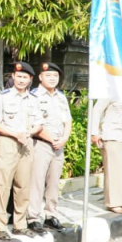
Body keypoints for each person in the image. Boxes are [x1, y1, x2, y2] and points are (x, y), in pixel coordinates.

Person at [0, 61, 42, 238]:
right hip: (6, 143)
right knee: (2, 185)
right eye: (18, 76)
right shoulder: (2, 97)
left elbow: (39, 124)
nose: (21, 80)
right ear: (13, 77)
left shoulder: (34, 100)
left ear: (30, 79)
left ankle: (20, 223)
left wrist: (29, 132)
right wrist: (15, 133)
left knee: (23, 185)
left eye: (24, 77)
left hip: (26, 143)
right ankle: (0, 226)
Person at [30, 62, 71, 232]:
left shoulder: (61, 96)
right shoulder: (34, 96)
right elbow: (33, 122)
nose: (52, 78)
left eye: (55, 76)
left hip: (58, 145)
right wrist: (52, 139)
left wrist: (64, 139)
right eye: (48, 75)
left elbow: (67, 120)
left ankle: (51, 214)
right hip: (41, 143)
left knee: (54, 182)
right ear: (40, 77)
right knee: (37, 181)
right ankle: (33, 217)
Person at [89, 93, 122, 215]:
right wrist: (94, 133)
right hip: (111, 134)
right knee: (114, 170)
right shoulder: (110, 92)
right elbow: (96, 110)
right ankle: (113, 203)